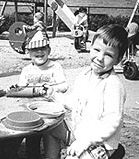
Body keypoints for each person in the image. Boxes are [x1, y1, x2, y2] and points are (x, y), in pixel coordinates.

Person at [43, 24, 129, 159]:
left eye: (108, 55)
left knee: (72, 158)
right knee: (50, 128)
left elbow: (112, 122)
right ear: (90, 47)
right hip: (80, 132)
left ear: (118, 60)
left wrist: (85, 142)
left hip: (100, 142)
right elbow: (75, 101)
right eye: (96, 50)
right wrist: (54, 94)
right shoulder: (84, 75)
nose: (100, 58)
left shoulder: (113, 85)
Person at [18, 30, 69, 159]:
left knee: (50, 137)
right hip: (33, 110)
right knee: (32, 137)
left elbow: (64, 86)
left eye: (43, 48)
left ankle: (51, 155)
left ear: (49, 50)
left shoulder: (55, 67)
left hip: (50, 110)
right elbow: (20, 89)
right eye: (35, 49)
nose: (39, 52)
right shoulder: (27, 70)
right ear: (28, 53)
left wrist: (51, 88)